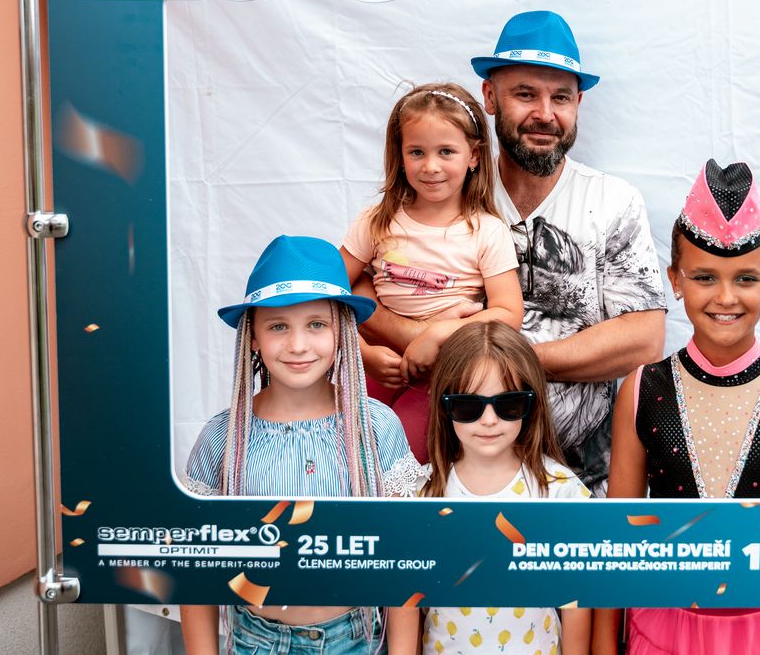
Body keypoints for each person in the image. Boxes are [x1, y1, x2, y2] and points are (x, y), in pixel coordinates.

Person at [361, 12, 667, 494]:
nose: (545, 113)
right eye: (525, 94)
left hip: (584, 474)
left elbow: (643, 339)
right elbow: (365, 280)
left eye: (560, 97)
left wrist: (499, 367)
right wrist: (416, 336)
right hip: (454, 473)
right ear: (489, 97)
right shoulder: (446, 189)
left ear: (579, 103)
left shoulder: (612, 201)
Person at [593, 159, 760, 654]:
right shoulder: (642, 390)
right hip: (664, 634)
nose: (726, 297)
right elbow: (617, 542)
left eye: (746, 279)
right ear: (675, 279)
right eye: (705, 277)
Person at [180, 235, 423, 655]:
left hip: (357, 641)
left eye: (316, 324)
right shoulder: (222, 438)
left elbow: (402, 559)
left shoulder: (376, 427)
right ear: (252, 335)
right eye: (278, 326)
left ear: (342, 330)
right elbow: (196, 572)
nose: (297, 345)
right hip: (255, 642)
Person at [341, 83, 523, 461]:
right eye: (417, 152)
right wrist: (364, 352)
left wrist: (438, 333)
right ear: (400, 156)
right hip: (379, 363)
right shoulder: (377, 221)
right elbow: (328, 289)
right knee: (348, 444)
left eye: (446, 151)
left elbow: (509, 312)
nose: (431, 166)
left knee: (406, 453)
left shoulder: (486, 231)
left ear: (474, 156)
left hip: (444, 372)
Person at [387, 321, 590, 655]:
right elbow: (405, 601)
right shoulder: (419, 494)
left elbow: (575, 600)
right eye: (468, 406)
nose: (489, 419)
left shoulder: (559, 490)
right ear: (444, 406)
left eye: (509, 404)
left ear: (531, 404)